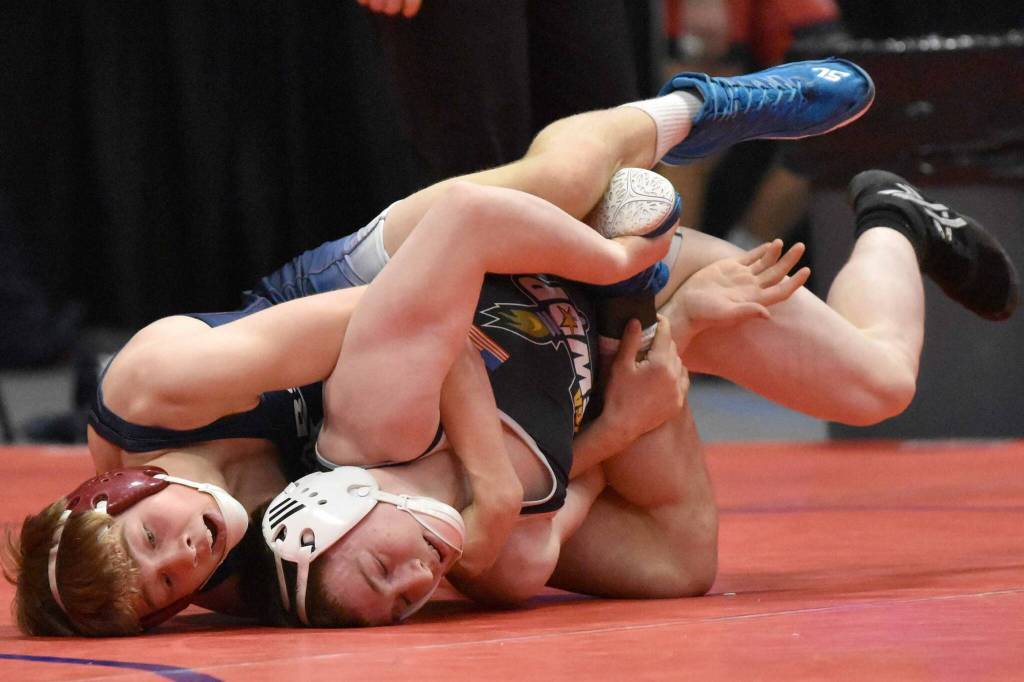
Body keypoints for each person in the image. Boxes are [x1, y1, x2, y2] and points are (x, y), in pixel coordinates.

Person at [6, 57, 1016, 634]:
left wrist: (616, 267)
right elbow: (457, 545)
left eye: (152, 542)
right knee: (874, 383)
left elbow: (416, 318)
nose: (186, 555)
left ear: (118, 492)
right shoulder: (253, 582)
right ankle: (897, 217)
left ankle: (680, 110)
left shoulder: (156, 389)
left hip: (374, 297)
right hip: (514, 365)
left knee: (548, 190)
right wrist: (607, 418)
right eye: (169, 589)